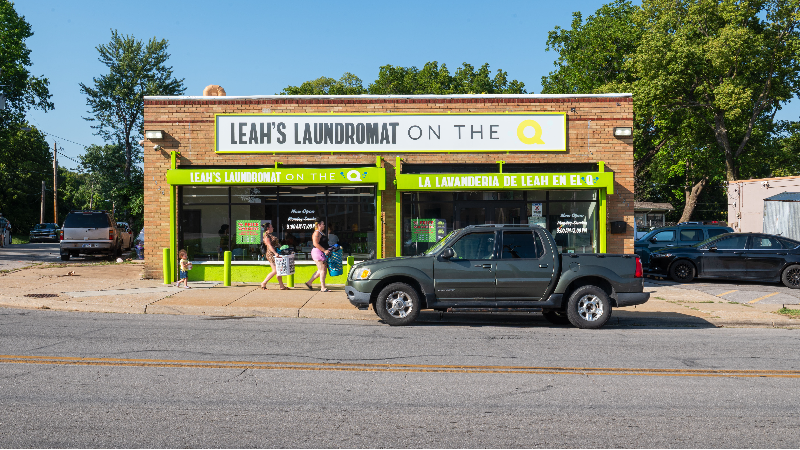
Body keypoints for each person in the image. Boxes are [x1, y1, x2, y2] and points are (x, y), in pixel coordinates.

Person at [305, 218, 331, 292]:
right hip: (318, 252)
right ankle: (323, 287)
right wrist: (324, 250)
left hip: (321, 252)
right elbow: (315, 243)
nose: (324, 225)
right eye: (323, 224)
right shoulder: (317, 233)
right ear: (319, 225)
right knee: (322, 270)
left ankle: (309, 282)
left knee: (322, 270)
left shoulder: (321, 233)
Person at [260, 222, 288, 290]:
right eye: (271, 227)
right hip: (271, 254)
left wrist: (282, 248)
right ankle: (263, 283)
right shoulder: (266, 236)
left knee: (278, 270)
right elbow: (269, 245)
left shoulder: (270, 235)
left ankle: (282, 286)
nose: (273, 228)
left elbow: (276, 244)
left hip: (275, 253)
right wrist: (275, 253)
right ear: (268, 228)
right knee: (275, 270)